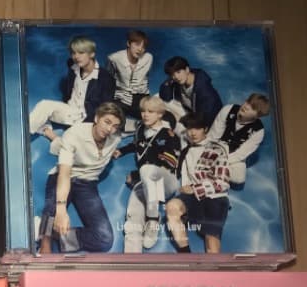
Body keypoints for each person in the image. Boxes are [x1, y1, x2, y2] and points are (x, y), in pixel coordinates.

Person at [36, 102, 125, 254]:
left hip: (87, 184)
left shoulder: (115, 138)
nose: (109, 129)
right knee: (52, 210)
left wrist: (115, 152)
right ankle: (45, 239)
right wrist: (61, 210)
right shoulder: (75, 134)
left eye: (115, 126)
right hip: (65, 175)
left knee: (104, 240)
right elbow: (64, 173)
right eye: (107, 122)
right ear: (96, 118)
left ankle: (55, 234)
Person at [115, 96, 181, 252]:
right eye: (143, 111)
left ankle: (153, 219)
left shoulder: (169, 135)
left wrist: (137, 175)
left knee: (146, 170)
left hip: (166, 181)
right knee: (133, 215)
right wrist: (121, 151)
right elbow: (138, 145)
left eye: (151, 111)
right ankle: (131, 258)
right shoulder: (141, 129)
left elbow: (169, 163)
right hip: (147, 183)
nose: (145, 115)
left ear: (160, 114)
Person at [165, 114, 231, 253]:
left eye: (197, 128)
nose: (192, 133)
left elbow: (222, 183)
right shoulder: (186, 150)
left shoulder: (217, 149)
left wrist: (195, 188)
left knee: (211, 243)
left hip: (214, 197)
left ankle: (212, 267)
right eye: (189, 128)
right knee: (171, 207)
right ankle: (185, 255)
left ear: (205, 129)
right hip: (192, 198)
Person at [29, 36, 115, 136]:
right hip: (69, 110)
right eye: (73, 53)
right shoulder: (73, 66)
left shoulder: (106, 78)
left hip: (86, 118)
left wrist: (88, 126)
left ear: (92, 54)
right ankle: (26, 132)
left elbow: (105, 109)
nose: (76, 57)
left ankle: (47, 131)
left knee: (71, 138)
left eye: (81, 53)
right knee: (44, 105)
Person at [207, 93, 270, 185]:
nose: (246, 106)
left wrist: (220, 162)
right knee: (197, 154)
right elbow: (213, 136)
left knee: (239, 178)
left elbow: (241, 153)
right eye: (248, 102)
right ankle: (213, 171)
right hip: (218, 146)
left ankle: (212, 171)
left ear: (258, 115)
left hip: (234, 154)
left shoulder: (259, 131)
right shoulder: (228, 109)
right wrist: (209, 153)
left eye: (252, 108)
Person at [159, 56, 222, 129]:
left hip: (208, 124)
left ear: (187, 69)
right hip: (191, 113)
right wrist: (170, 80)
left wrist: (182, 120)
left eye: (178, 72)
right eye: (172, 74)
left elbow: (205, 119)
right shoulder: (180, 80)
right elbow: (165, 97)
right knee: (158, 101)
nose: (176, 77)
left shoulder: (205, 90)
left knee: (170, 120)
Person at [106, 30, 153, 120]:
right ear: (128, 43)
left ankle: (140, 124)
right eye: (137, 44)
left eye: (143, 47)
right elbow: (108, 80)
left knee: (158, 117)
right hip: (121, 98)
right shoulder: (114, 58)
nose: (140, 49)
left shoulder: (148, 58)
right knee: (114, 118)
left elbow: (145, 78)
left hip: (141, 98)